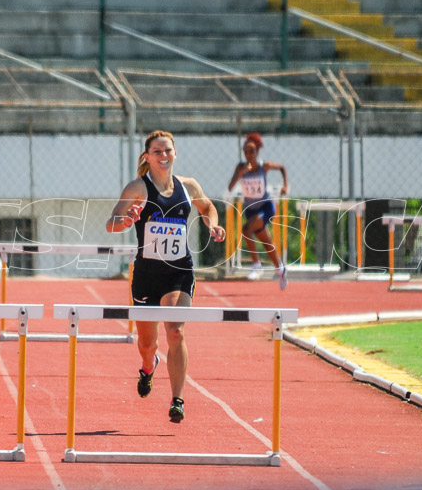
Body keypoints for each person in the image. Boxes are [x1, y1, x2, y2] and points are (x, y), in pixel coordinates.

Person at [106, 130, 226, 423]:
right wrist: (127, 220)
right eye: (157, 152)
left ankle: (177, 400)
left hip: (179, 271)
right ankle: (149, 367)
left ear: (175, 154)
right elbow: (111, 224)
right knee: (147, 345)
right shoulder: (138, 187)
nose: (163, 156)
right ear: (147, 157)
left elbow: (207, 205)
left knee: (176, 331)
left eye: (167, 150)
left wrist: (212, 223)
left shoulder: (188, 186)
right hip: (147, 273)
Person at [227, 132, 288, 289]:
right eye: (246, 152)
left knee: (246, 230)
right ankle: (281, 269)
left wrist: (285, 185)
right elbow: (230, 186)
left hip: (265, 207)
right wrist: (240, 174)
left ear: (257, 152)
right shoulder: (241, 167)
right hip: (251, 210)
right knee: (267, 243)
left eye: (252, 151)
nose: (249, 155)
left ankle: (256, 265)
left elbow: (282, 168)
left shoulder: (264, 166)